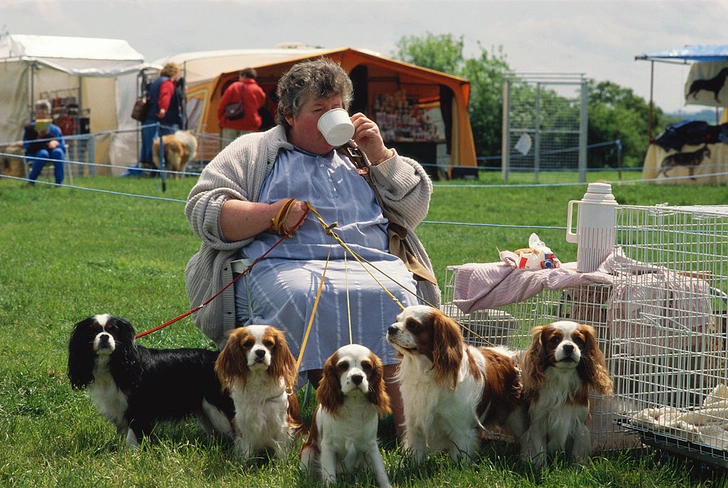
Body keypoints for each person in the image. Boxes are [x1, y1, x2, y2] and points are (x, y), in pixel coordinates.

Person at [185, 58, 440, 434]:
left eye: (337, 109)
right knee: (300, 295)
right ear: (289, 114)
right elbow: (204, 207)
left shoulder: (359, 151)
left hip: (370, 261)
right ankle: (288, 423)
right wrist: (271, 213)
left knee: (398, 298)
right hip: (284, 264)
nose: (331, 118)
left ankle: (405, 427)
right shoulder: (254, 150)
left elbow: (412, 208)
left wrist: (381, 155)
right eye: (319, 110)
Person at [139, 62, 183, 167]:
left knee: (149, 143)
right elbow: (165, 96)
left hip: (150, 117)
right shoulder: (167, 83)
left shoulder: (156, 82)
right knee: (168, 144)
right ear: (175, 73)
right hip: (162, 119)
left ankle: (148, 166)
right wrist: (163, 109)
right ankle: (165, 168)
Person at [217, 67, 267, 150]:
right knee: (247, 152)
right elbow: (260, 104)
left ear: (243, 75)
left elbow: (222, 105)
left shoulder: (234, 87)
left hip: (231, 123)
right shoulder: (258, 90)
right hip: (250, 125)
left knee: (227, 152)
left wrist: (221, 119)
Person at [23, 99, 66, 186]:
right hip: (36, 152)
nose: (41, 115)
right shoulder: (30, 128)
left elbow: (62, 145)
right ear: (35, 115)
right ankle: (31, 181)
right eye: (39, 113)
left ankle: (58, 183)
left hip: (53, 151)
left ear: (48, 114)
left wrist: (56, 143)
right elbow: (26, 144)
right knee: (43, 154)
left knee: (58, 152)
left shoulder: (55, 129)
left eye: (43, 113)